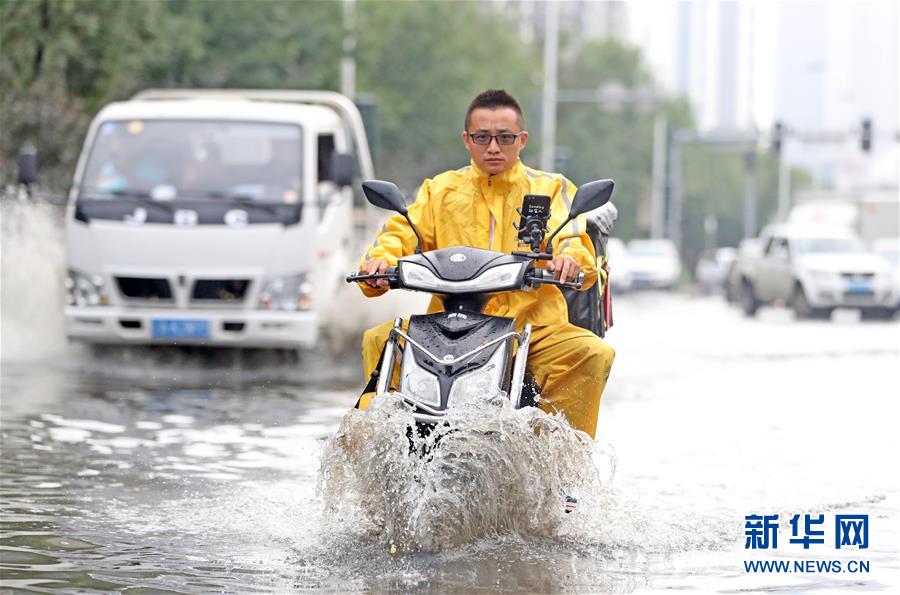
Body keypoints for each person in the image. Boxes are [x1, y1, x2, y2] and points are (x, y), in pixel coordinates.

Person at [356, 89, 616, 439]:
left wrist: (570, 261)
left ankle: (563, 463)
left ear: (521, 140)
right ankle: (383, 448)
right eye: (483, 137)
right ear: (467, 140)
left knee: (591, 353)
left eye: (505, 138)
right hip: (446, 325)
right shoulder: (439, 191)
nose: (493, 147)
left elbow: (570, 237)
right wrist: (378, 265)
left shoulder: (551, 189)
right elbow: (401, 233)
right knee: (380, 339)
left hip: (533, 328)